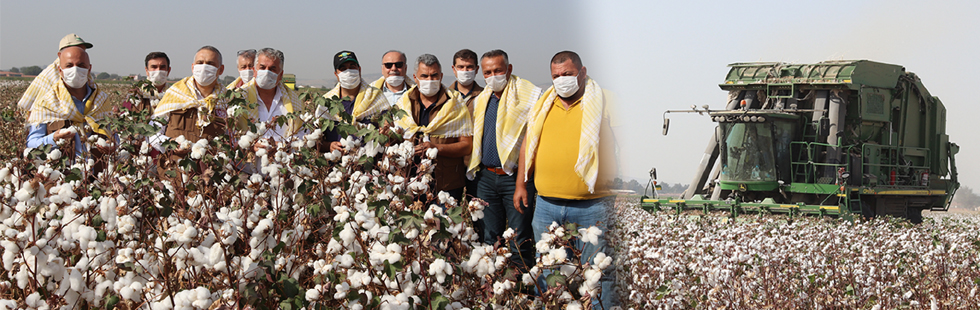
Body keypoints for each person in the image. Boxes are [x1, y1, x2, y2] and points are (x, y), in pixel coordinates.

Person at [515, 51, 619, 308]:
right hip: (547, 204)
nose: (562, 80)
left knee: (598, 273)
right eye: (556, 76)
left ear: (582, 72)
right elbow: (529, 144)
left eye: (568, 74)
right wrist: (521, 183)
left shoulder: (605, 100)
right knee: (548, 269)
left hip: (592, 205)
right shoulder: (543, 104)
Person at [466, 49, 541, 270]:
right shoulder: (482, 100)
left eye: (498, 70)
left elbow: (533, 140)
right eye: (487, 72)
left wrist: (522, 182)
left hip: (516, 178)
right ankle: (494, 287)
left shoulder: (528, 96)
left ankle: (520, 289)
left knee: (519, 238)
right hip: (487, 178)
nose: (493, 76)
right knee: (490, 237)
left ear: (509, 69)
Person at [393, 54, 473, 201]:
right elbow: (394, 140)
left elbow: (466, 146)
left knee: (444, 223)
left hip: (446, 184)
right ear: (415, 77)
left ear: (441, 76)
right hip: (411, 181)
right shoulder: (404, 103)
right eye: (424, 76)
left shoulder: (455, 103)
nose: (429, 80)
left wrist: (435, 148)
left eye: (434, 75)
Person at [25, 33, 114, 161]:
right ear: (60, 69)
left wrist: (112, 145)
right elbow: (31, 144)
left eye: (81, 65)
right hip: (62, 177)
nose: (75, 70)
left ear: (89, 69)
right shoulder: (46, 102)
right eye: (69, 65)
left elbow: (112, 135)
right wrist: (53, 139)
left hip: (97, 175)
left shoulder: (101, 100)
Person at [149, 46, 229, 159]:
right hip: (174, 169)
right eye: (200, 62)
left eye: (210, 63)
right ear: (193, 67)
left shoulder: (226, 100)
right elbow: (153, 132)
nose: (204, 67)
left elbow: (233, 139)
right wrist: (171, 143)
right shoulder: (175, 94)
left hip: (210, 171)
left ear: (221, 69)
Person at [316, 51, 389, 152]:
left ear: (359, 69)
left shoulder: (376, 97)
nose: (348, 71)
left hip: (369, 163)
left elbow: (388, 133)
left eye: (352, 66)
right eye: (343, 69)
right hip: (337, 164)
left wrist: (385, 132)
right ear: (336, 74)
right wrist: (329, 146)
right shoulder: (326, 103)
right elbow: (316, 141)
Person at [449, 49, 484, 115]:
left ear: (477, 69)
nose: (465, 70)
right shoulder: (445, 96)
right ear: (454, 69)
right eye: (461, 67)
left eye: (469, 67)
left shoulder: (485, 96)